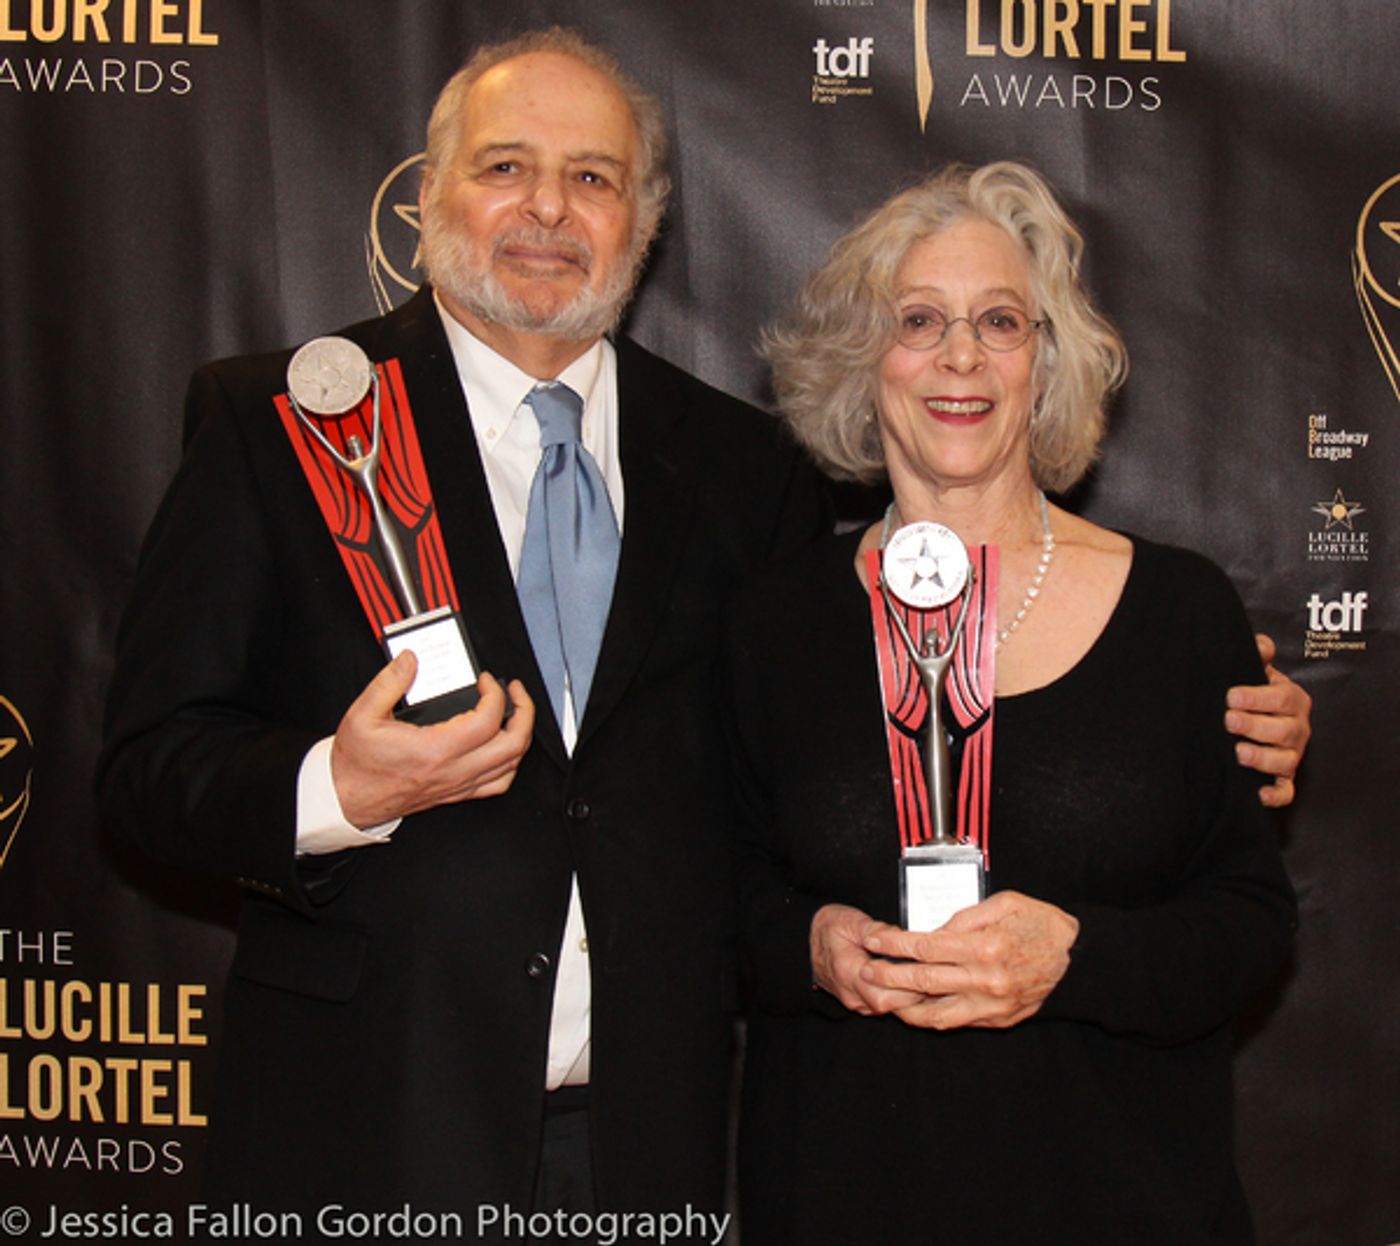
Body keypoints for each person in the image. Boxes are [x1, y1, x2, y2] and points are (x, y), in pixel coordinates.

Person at [96, 28, 829, 1238]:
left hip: (643, 1147)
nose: (547, 208)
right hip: (363, 1128)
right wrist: (339, 788)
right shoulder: (277, 423)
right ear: (430, 194)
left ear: (642, 222)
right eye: (504, 167)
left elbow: (797, 775)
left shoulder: (746, 469)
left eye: (591, 176)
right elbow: (147, 771)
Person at [724, 161, 1298, 1244]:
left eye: (999, 321)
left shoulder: (1180, 610)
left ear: (1045, 363)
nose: (961, 356)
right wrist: (811, 944)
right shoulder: (773, 624)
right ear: (862, 359)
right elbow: (721, 898)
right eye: (918, 320)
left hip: (1127, 1204)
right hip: (846, 1198)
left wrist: (1075, 957)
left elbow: (1249, 926)